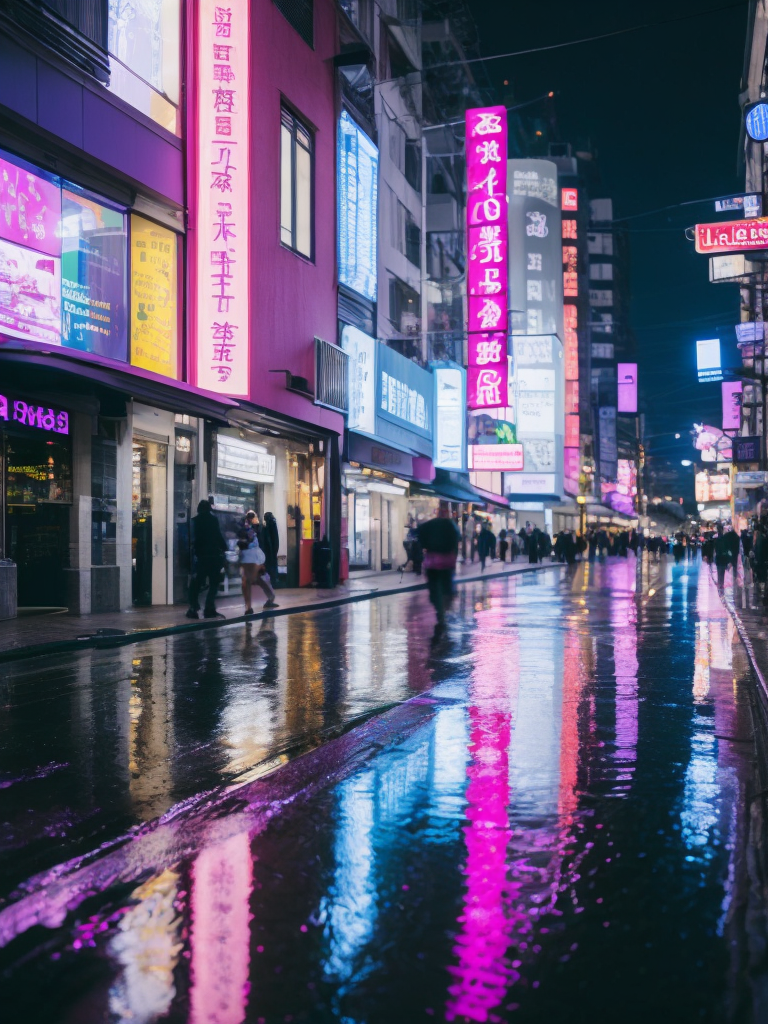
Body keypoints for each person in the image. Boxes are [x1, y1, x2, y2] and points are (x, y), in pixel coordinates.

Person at [418, 504, 461, 631]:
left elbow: (420, 535)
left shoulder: (429, 525)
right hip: (447, 561)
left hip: (432, 561)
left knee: (433, 587)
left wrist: (426, 547)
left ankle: (439, 610)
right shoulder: (451, 526)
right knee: (446, 586)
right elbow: (456, 539)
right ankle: (444, 608)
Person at [187, 499, 226, 619]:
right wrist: (224, 547)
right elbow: (218, 535)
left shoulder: (194, 521)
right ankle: (209, 608)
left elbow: (192, 539)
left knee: (196, 583)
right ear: (209, 508)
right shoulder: (213, 520)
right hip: (213, 556)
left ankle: (193, 608)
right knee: (214, 583)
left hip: (200, 557)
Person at [238, 511, 279, 613]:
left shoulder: (251, 529)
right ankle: (269, 598)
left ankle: (249, 607)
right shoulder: (253, 529)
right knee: (258, 579)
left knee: (251, 581)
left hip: (251, 558)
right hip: (254, 558)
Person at [262, 511, 280, 586]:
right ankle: (274, 580)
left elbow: (268, 539)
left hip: (269, 550)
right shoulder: (273, 524)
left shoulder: (268, 526)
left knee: (269, 565)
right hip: (273, 549)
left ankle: (271, 580)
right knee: (273, 564)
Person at [714, 522, 733, 591]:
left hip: (719, 558)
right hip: (723, 558)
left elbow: (715, 549)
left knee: (720, 573)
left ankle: (720, 586)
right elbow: (728, 549)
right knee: (722, 573)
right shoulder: (725, 539)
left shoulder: (716, 539)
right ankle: (721, 586)